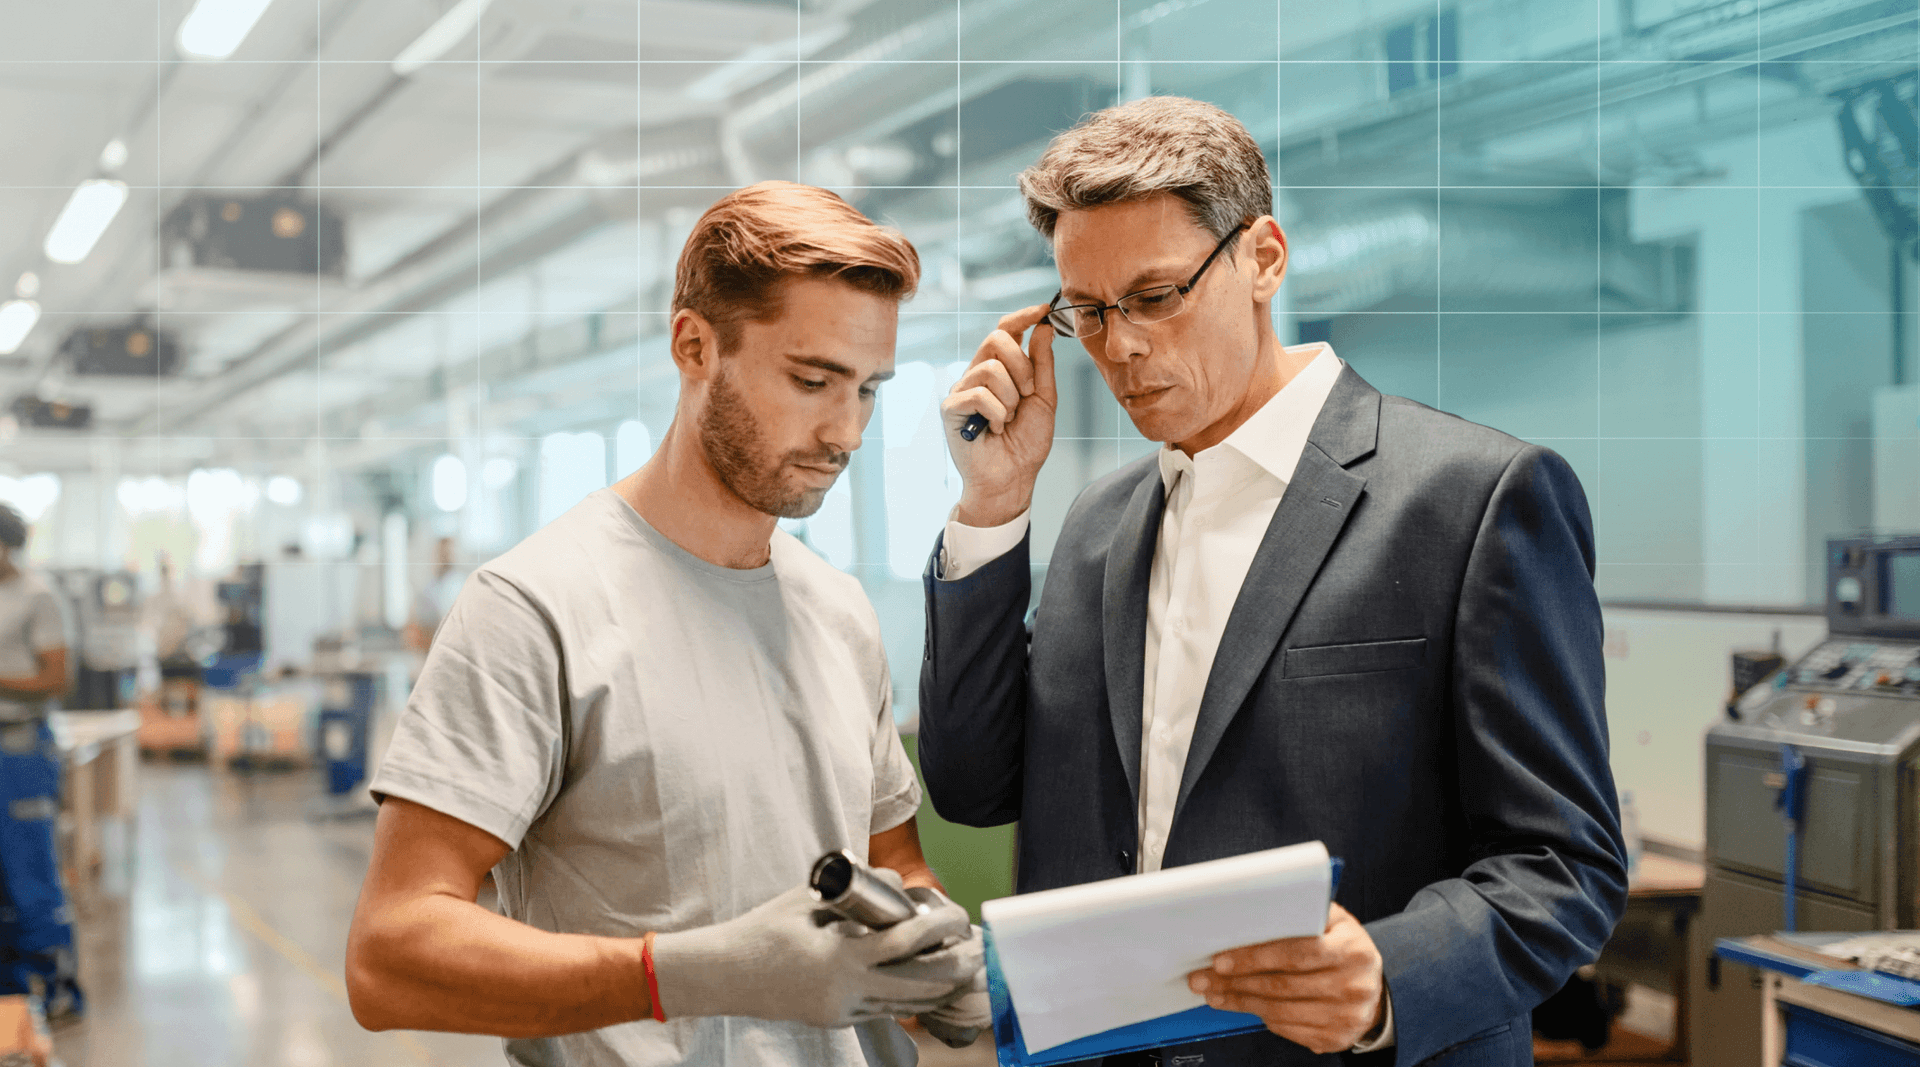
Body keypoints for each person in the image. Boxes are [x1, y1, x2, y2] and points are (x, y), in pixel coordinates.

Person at [918, 97, 1626, 1066]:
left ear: (1263, 257)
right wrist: (993, 507)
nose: (1120, 347)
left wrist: (1384, 973)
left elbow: (1564, 863)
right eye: (1087, 310)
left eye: (1157, 295)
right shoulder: (1094, 525)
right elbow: (970, 783)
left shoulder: (1473, 500)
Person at [346, 181, 989, 1067]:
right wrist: (687, 971)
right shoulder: (536, 607)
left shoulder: (839, 612)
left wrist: (936, 948)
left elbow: (892, 864)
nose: (846, 432)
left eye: (869, 390)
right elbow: (389, 956)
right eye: (811, 380)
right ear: (695, 344)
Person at [0, 504, 82, 1022]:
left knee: (30, 875)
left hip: (21, 749)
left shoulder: (38, 596)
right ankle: (11, 998)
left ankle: (58, 987)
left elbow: (57, 677)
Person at [402, 536, 465, 652]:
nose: (444, 557)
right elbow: (415, 617)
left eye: (448, 553)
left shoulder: (458, 584)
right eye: (440, 553)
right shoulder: (431, 585)